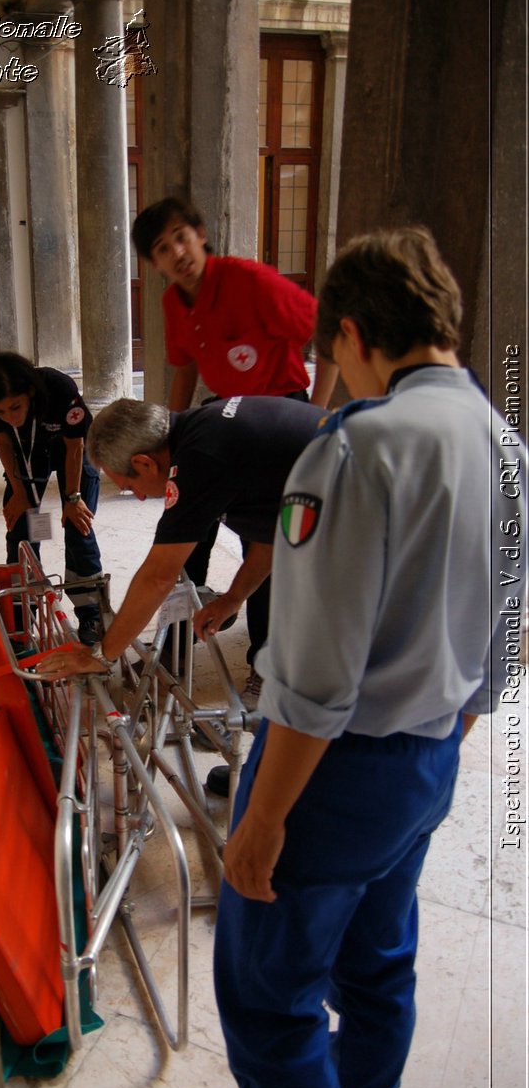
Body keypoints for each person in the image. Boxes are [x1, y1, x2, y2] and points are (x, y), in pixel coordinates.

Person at [203, 227, 527, 1088]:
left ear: (351, 334)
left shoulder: (355, 451)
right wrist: (442, 737)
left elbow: (315, 674)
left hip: (329, 771)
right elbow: (504, 639)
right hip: (428, 759)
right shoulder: (508, 444)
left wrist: (263, 819)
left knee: (267, 987)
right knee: (380, 950)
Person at [131, 196, 339, 709]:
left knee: (269, 549)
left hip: (279, 422)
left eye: (181, 236)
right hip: (221, 421)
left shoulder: (249, 281)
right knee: (184, 535)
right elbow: (184, 370)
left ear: (200, 234)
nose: (177, 252)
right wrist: (167, 438)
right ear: (154, 265)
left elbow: (329, 337)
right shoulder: (173, 304)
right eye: (162, 248)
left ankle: (266, 667)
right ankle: (171, 653)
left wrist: (315, 417)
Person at [34, 394, 323, 695]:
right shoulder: (200, 428)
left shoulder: (199, 459)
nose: (141, 497)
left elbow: (158, 576)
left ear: (144, 463)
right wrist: (235, 596)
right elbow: (273, 530)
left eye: (130, 486)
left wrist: (100, 656)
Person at [0, 352, 103, 645]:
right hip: (28, 455)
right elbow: (4, 442)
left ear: (30, 392)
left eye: (16, 407)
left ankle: (91, 614)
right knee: (24, 530)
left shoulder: (59, 389)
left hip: (72, 449)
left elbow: (76, 447)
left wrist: (73, 498)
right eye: (2, 412)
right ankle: (22, 616)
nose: (11, 418)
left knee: (78, 527)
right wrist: (20, 493)